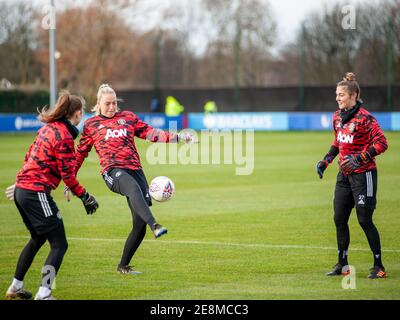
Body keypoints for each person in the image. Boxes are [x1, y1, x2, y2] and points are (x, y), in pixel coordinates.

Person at [73, 84, 195, 275]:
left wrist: (178, 137)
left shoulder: (128, 118)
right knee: (132, 189)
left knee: (138, 226)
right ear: (98, 104)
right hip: (112, 172)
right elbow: (80, 153)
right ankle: (155, 224)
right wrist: (70, 179)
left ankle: (123, 266)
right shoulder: (91, 125)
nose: (112, 107)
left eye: (114, 103)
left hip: (136, 170)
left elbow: (151, 133)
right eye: (108, 103)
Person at [4, 91, 99, 300]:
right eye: (81, 113)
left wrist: (20, 183)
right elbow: (68, 175)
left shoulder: (47, 129)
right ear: (76, 114)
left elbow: (29, 156)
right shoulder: (64, 136)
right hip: (36, 192)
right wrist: (86, 196)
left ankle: (15, 287)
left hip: (24, 191)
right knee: (59, 244)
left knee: (37, 239)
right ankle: (44, 293)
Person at [316, 72, 388, 279]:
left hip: (363, 175)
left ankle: (379, 266)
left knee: (364, 220)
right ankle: (343, 264)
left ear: (354, 95)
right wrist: (326, 160)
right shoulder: (337, 117)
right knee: (339, 218)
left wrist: (360, 158)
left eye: (341, 95)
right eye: (336, 95)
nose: (337, 98)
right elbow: (338, 142)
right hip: (344, 177)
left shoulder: (366, 118)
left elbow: (382, 143)